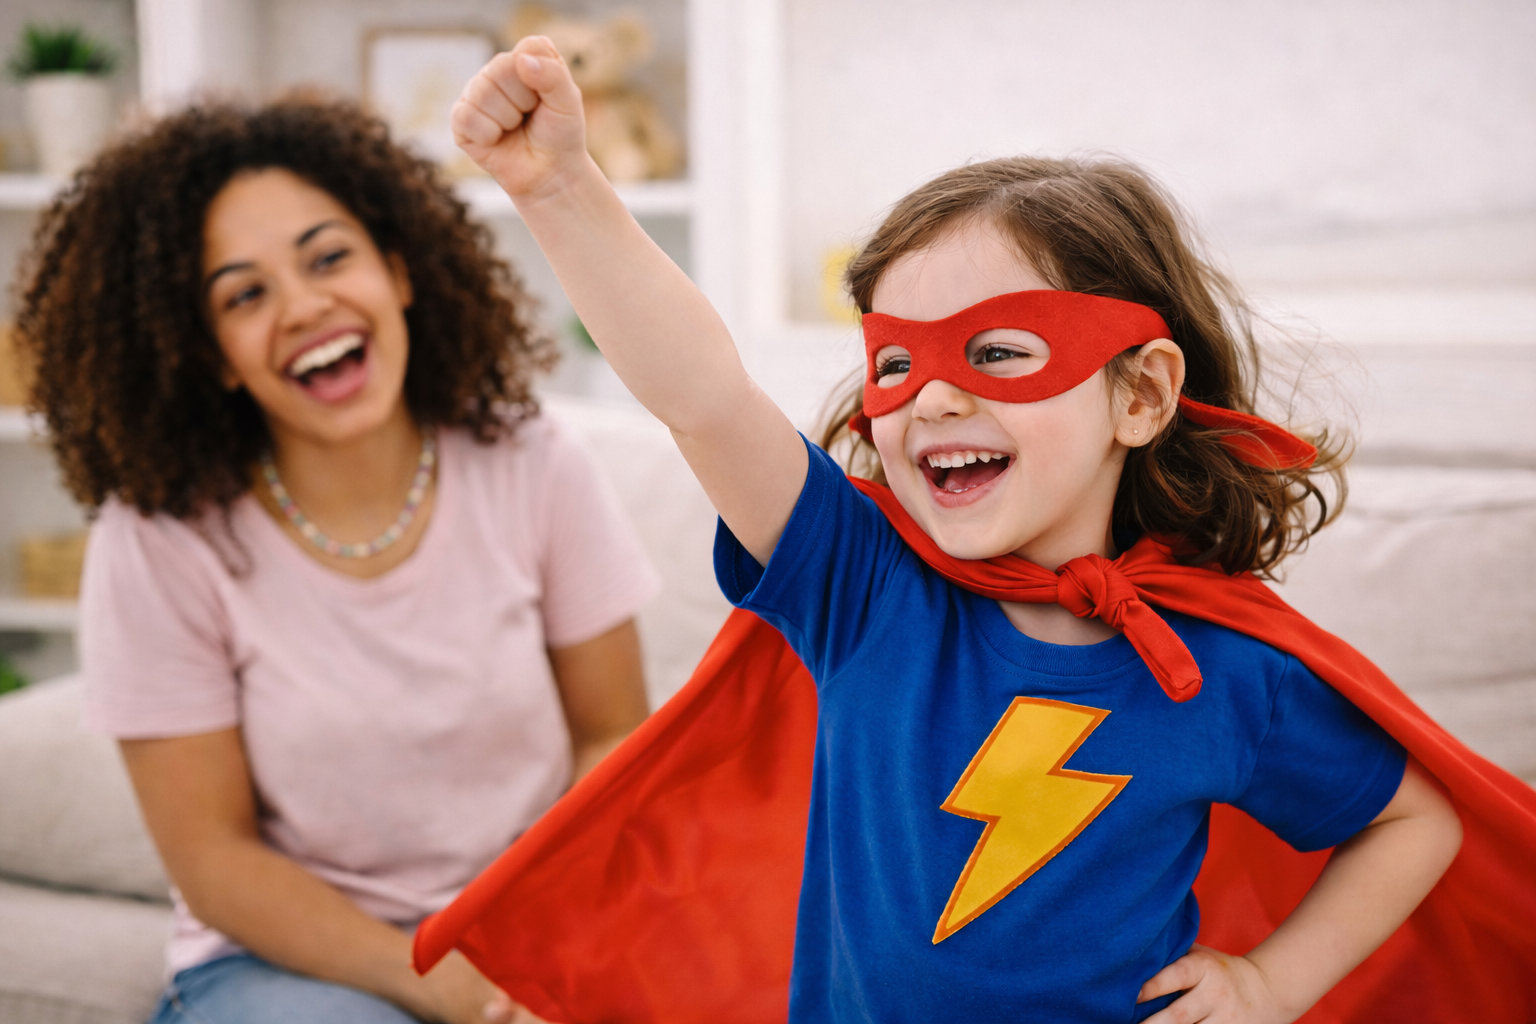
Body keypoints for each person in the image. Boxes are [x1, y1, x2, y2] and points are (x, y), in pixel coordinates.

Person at [441, 39, 1467, 1023]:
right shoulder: (860, 586)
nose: (930, 398)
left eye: (998, 351)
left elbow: (1414, 818)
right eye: (896, 363)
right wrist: (561, 190)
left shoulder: (1231, 668)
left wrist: (1270, 987)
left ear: (1141, 395)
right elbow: (703, 397)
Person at [13, 97, 659, 1024]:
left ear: (398, 271)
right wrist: (446, 983)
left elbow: (613, 737)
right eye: (244, 295)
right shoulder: (157, 538)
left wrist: (550, 937)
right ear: (212, 355)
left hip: (532, 921)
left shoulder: (534, 459)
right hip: (289, 965)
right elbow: (214, 859)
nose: (306, 306)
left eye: (327, 258)